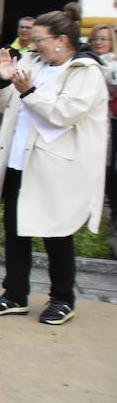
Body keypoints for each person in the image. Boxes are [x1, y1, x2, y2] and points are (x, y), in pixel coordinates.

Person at [0, 11, 108, 325]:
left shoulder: (85, 72)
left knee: (56, 232)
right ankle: (15, 294)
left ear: (62, 40)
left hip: (56, 168)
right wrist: (3, 78)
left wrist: (28, 92)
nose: (32, 45)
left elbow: (64, 113)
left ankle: (63, 298)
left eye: (39, 40)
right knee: (15, 232)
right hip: (18, 161)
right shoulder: (32, 63)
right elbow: (0, 104)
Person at [85, 24, 117, 243]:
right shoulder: (83, 61)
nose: (98, 42)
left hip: (108, 122)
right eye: (95, 38)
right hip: (83, 122)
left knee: (108, 169)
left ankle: (110, 212)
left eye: (103, 39)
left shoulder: (113, 64)